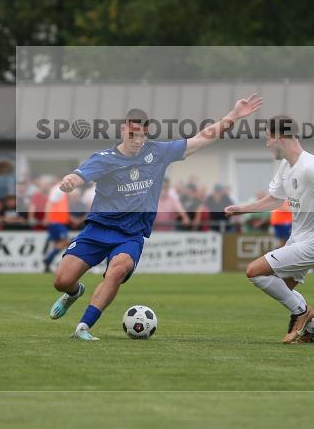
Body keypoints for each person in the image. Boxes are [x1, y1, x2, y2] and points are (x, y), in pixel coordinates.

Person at [49, 95, 262, 341]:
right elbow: (80, 175)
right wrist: (70, 182)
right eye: (133, 134)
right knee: (62, 281)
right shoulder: (105, 159)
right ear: (123, 129)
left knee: (117, 271)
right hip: (97, 229)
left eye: (143, 135)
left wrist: (233, 115)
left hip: (130, 235)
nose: (138, 140)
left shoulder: (159, 152)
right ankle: (74, 293)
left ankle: (83, 327)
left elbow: (204, 137)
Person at [225, 115, 314, 344]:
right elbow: (275, 200)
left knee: (254, 271)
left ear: (280, 137)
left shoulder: (310, 167)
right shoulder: (286, 166)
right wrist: (243, 209)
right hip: (297, 240)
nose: (267, 143)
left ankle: (302, 313)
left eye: (268, 138)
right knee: (283, 288)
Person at [42, 182, 72, 272]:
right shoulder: (58, 189)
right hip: (56, 221)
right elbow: (49, 203)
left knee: (57, 243)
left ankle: (48, 264)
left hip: (58, 221)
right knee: (65, 241)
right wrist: (47, 217)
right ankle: (48, 259)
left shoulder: (62, 190)